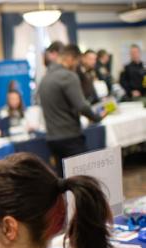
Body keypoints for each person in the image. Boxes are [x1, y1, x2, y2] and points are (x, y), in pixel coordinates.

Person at [38, 44, 103, 177]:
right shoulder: (68, 76)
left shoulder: (44, 78)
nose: (77, 66)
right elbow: (82, 106)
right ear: (70, 58)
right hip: (70, 138)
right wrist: (97, 116)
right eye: (77, 62)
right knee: (83, 180)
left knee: (64, 181)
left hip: (52, 139)